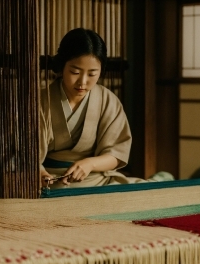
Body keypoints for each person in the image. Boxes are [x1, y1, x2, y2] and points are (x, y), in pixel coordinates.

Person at [39, 28, 173, 190]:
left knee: (146, 195)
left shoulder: (107, 100)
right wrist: (39, 172)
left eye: (92, 74)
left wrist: (90, 163)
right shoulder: (40, 101)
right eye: (75, 72)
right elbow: (20, 155)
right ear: (62, 66)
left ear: (101, 71)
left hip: (95, 180)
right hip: (49, 182)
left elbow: (117, 154)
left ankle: (159, 182)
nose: (82, 82)